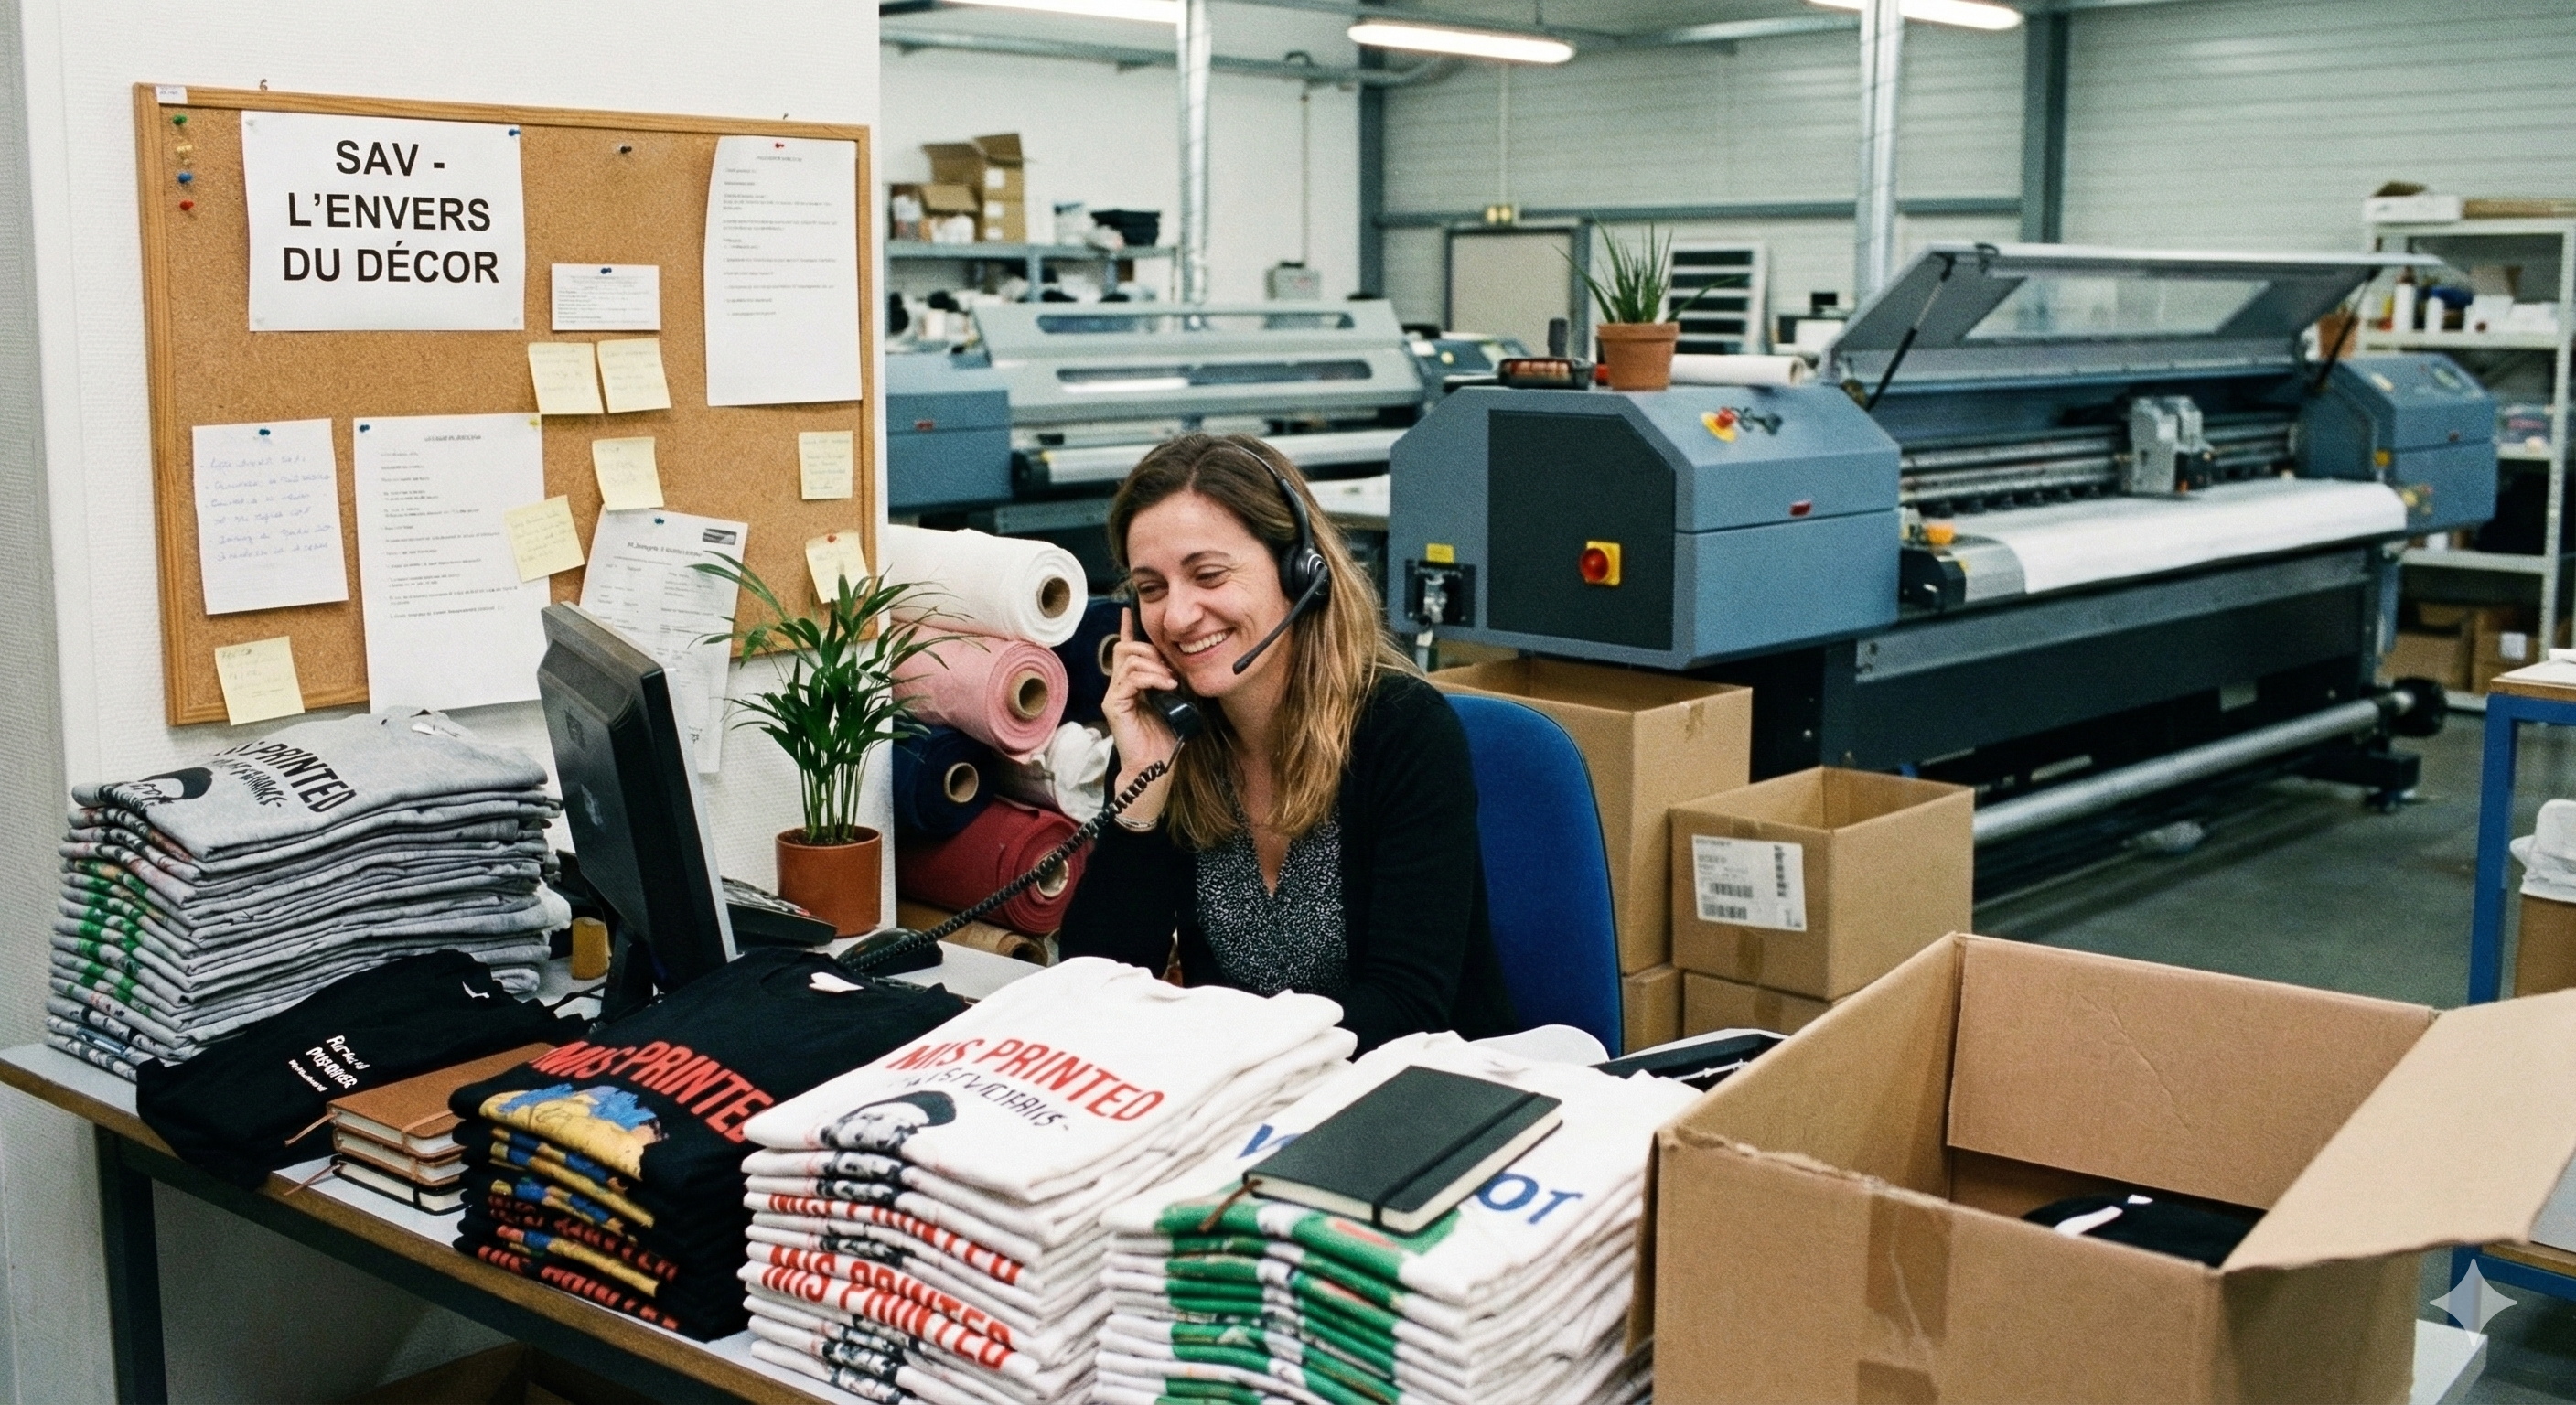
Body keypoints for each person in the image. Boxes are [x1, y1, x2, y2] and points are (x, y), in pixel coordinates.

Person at [1057, 434, 1516, 1052]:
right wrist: (1141, 791)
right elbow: (1096, 988)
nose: (1177, 616)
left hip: (1419, 1096)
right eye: (1152, 587)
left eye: (1208, 575)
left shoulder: (1403, 730)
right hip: (1248, 1103)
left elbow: (1407, 1004)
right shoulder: (1170, 738)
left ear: (1301, 571)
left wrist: (1224, 1056)